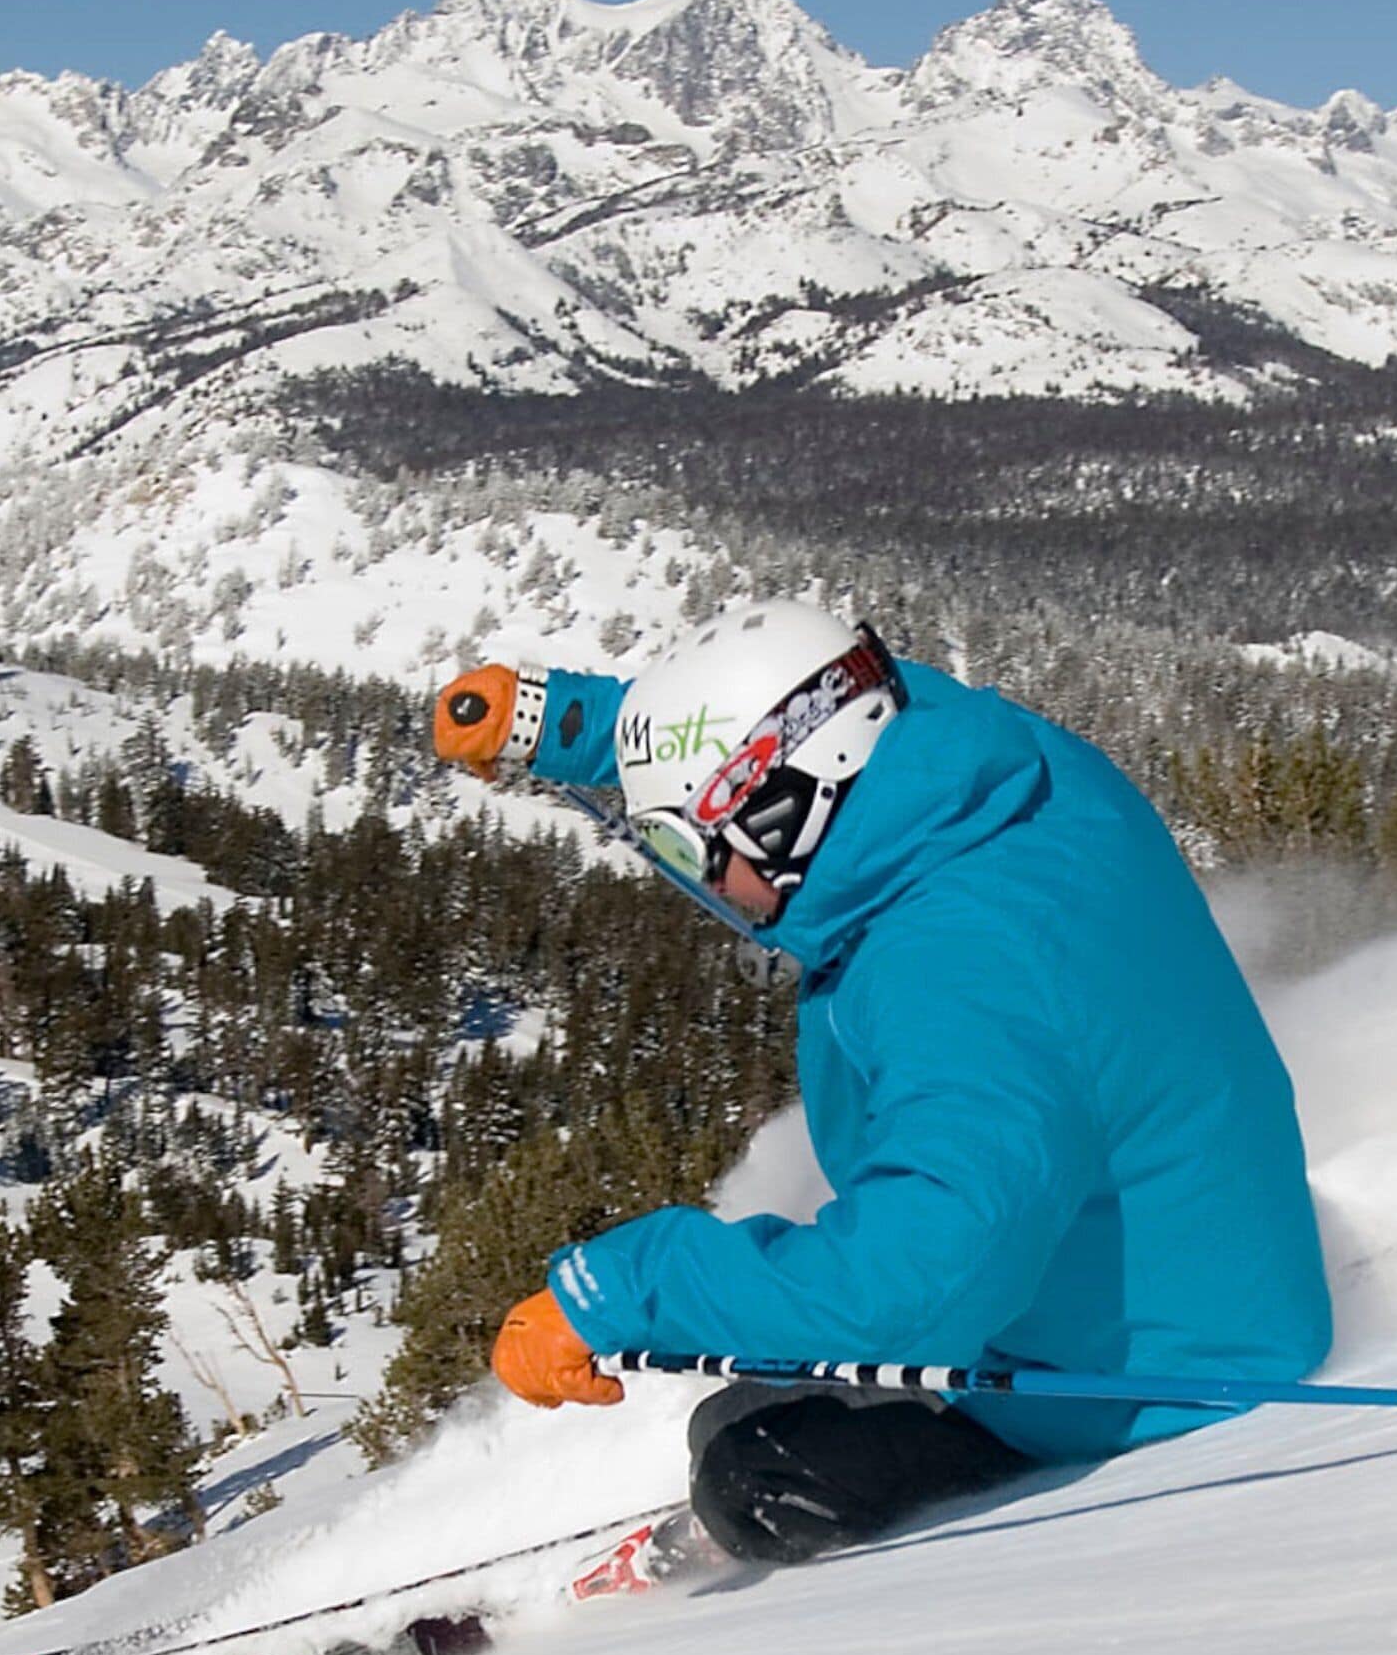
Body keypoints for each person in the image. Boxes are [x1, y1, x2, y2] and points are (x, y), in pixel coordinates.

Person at [433, 603, 1331, 1564]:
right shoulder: (970, 767)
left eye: (686, 853)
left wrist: (614, 1290)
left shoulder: (958, 973)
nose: (700, 887)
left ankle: (722, 1562)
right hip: (1191, 1264)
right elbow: (788, 715)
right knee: (755, 1393)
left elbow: (911, 1291)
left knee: (747, 1462)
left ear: (785, 813)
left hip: (1152, 1379)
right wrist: (560, 724)